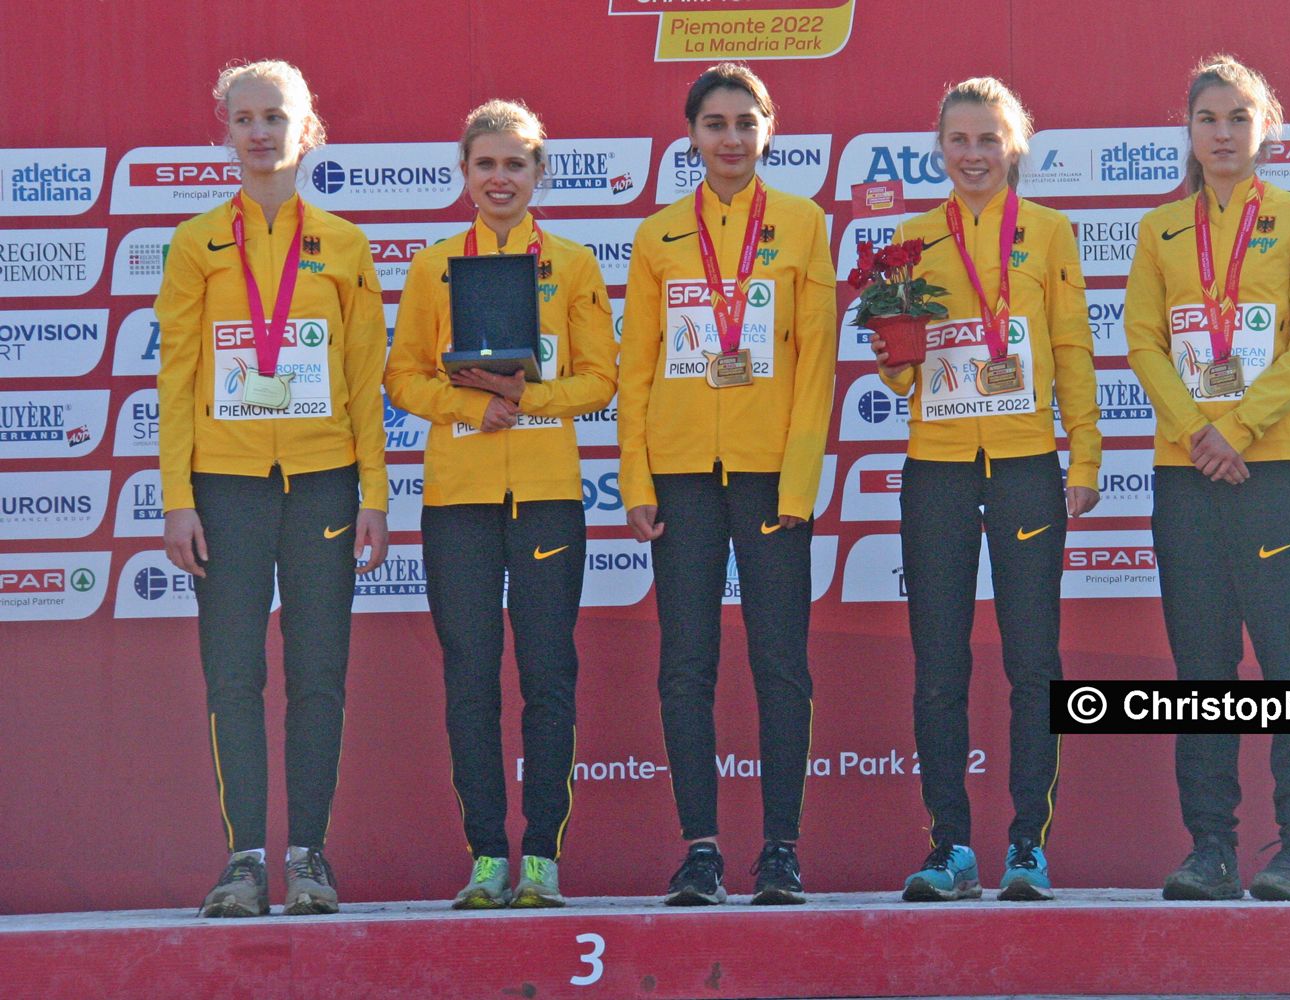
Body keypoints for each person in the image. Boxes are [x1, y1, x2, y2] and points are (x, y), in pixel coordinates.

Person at [156, 59, 389, 917]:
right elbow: (176, 378)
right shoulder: (195, 243)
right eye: (245, 118)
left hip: (325, 483)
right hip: (225, 487)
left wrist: (374, 495)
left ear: (307, 129)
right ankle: (245, 862)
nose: (260, 132)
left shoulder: (344, 244)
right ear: (226, 131)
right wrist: (177, 497)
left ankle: (310, 858)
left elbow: (363, 382)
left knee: (319, 674)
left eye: (275, 117)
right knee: (233, 676)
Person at [870, 77, 1100, 903]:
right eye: (959, 140)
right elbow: (901, 380)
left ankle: (1028, 845)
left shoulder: (1050, 232)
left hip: (1026, 466)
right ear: (940, 148)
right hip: (936, 466)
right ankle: (951, 848)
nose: (974, 155)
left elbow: (1071, 349)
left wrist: (1085, 459)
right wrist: (893, 358)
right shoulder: (910, 240)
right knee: (939, 665)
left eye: (989, 139)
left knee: (1035, 663)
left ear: (1016, 146)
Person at [385, 99, 617, 909]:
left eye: (515, 164)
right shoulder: (434, 266)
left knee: (548, 675)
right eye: (485, 164)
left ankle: (542, 857)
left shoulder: (573, 265)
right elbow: (401, 377)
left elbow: (602, 380)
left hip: (548, 496)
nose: (500, 178)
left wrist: (525, 400)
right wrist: (469, 407)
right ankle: (486, 855)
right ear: (464, 173)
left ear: (539, 173)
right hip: (459, 499)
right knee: (470, 681)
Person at [618, 62, 836, 906]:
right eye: (716, 123)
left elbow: (816, 364)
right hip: (679, 478)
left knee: (781, 664)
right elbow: (637, 368)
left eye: (747, 122)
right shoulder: (658, 235)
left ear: (769, 129)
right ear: (691, 136)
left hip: (770, 476)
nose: (732, 138)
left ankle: (781, 849)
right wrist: (636, 478)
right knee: (685, 666)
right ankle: (700, 850)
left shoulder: (803, 223)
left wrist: (798, 482)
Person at [1125, 54, 1290, 901]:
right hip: (1186, 473)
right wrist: (1196, 434)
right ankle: (1209, 848)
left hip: (1273, 466)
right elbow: (1144, 340)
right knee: (1202, 667)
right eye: (1208, 119)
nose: (1222, 133)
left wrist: (1238, 430)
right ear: (1187, 130)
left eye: (1239, 118)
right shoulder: (1159, 230)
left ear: (1266, 127)